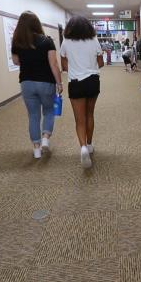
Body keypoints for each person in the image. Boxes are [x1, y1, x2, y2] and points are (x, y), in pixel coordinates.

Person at [11, 11, 63, 158]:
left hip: (26, 82)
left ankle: (36, 149)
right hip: (46, 82)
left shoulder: (17, 42)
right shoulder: (47, 41)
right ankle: (46, 138)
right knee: (48, 111)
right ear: (36, 24)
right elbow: (53, 64)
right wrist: (59, 83)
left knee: (33, 115)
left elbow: (16, 62)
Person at [60, 15, 104, 168]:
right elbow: (101, 63)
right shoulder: (94, 40)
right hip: (92, 81)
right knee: (90, 114)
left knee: (79, 120)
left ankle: (83, 147)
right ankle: (90, 145)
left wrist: (75, 66)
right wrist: (90, 65)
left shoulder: (65, 42)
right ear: (88, 27)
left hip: (76, 83)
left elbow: (64, 66)